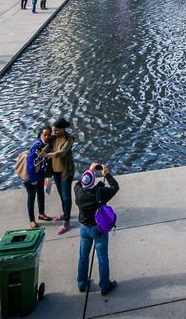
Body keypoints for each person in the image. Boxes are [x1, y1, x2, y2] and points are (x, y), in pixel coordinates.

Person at [74, 164, 119, 294]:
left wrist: (89, 170)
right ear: (94, 181)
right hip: (98, 229)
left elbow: (78, 183)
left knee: (83, 256)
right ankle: (105, 286)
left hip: (84, 228)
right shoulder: (101, 193)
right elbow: (115, 187)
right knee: (102, 257)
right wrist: (106, 174)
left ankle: (81, 283)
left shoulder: (78, 192)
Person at [45, 118, 76, 235]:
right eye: (53, 130)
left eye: (56, 130)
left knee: (66, 196)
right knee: (61, 194)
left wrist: (47, 154)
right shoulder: (53, 139)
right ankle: (65, 213)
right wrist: (41, 152)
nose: (54, 133)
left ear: (63, 129)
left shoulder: (69, 139)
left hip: (66, 172)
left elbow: (61, 153)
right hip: (55, 171)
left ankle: (66, 222)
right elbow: (46, 147)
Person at [22, 127, 52, 229]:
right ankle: (32, 220)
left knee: (41, 194)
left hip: (40, 175)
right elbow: (30, 164)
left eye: (49, 134)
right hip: (31, 178)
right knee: (31, 198)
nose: (47, 136)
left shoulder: (45, 144)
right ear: (41, 135)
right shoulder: (37, 147)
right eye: (45, 135)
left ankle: (41, 213)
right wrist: (33, 180)